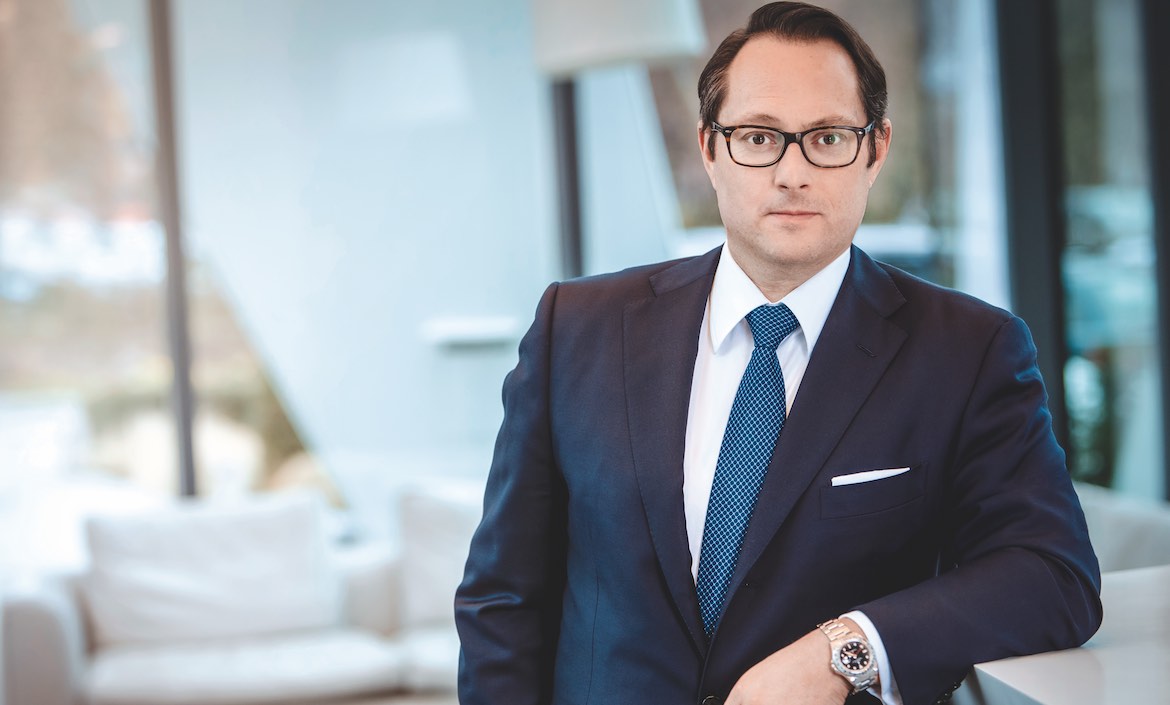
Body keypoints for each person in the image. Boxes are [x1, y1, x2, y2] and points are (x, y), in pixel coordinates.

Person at [454, 3, 1102, 704]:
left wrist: (845, 650)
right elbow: (503, 598)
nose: (793, 172)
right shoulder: (576, 328)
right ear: (710, 148)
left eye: (827, 137)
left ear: (876, 149)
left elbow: (1053, 573)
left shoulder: (969, 350)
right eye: (759, 137)